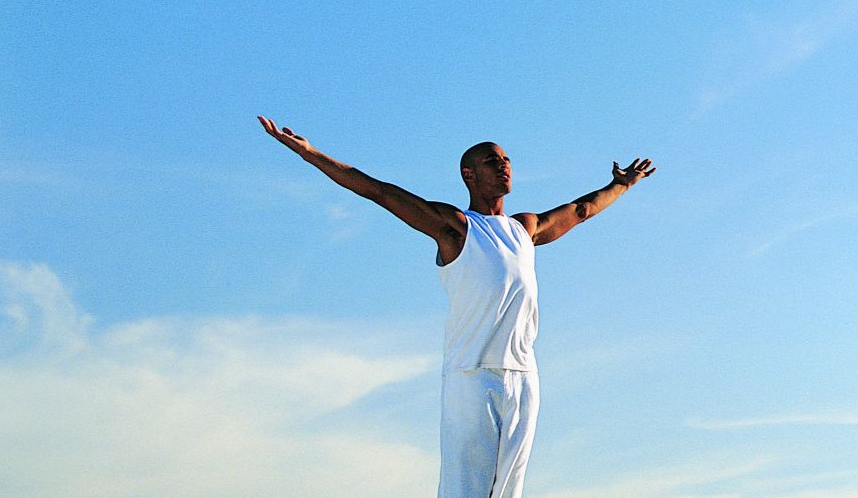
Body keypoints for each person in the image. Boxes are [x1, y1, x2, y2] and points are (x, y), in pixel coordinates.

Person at [256, 116, 654, 498]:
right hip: (471, 377)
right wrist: (310, 153)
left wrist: (621, 185)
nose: (503, 166)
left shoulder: (524, 228)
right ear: (469, 175)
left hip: (523, 375)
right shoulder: (456, 226)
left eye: (506, 160)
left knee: (508, 491)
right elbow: (379, 191)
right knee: (466, 489)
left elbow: (581, 210)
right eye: (491, 161)